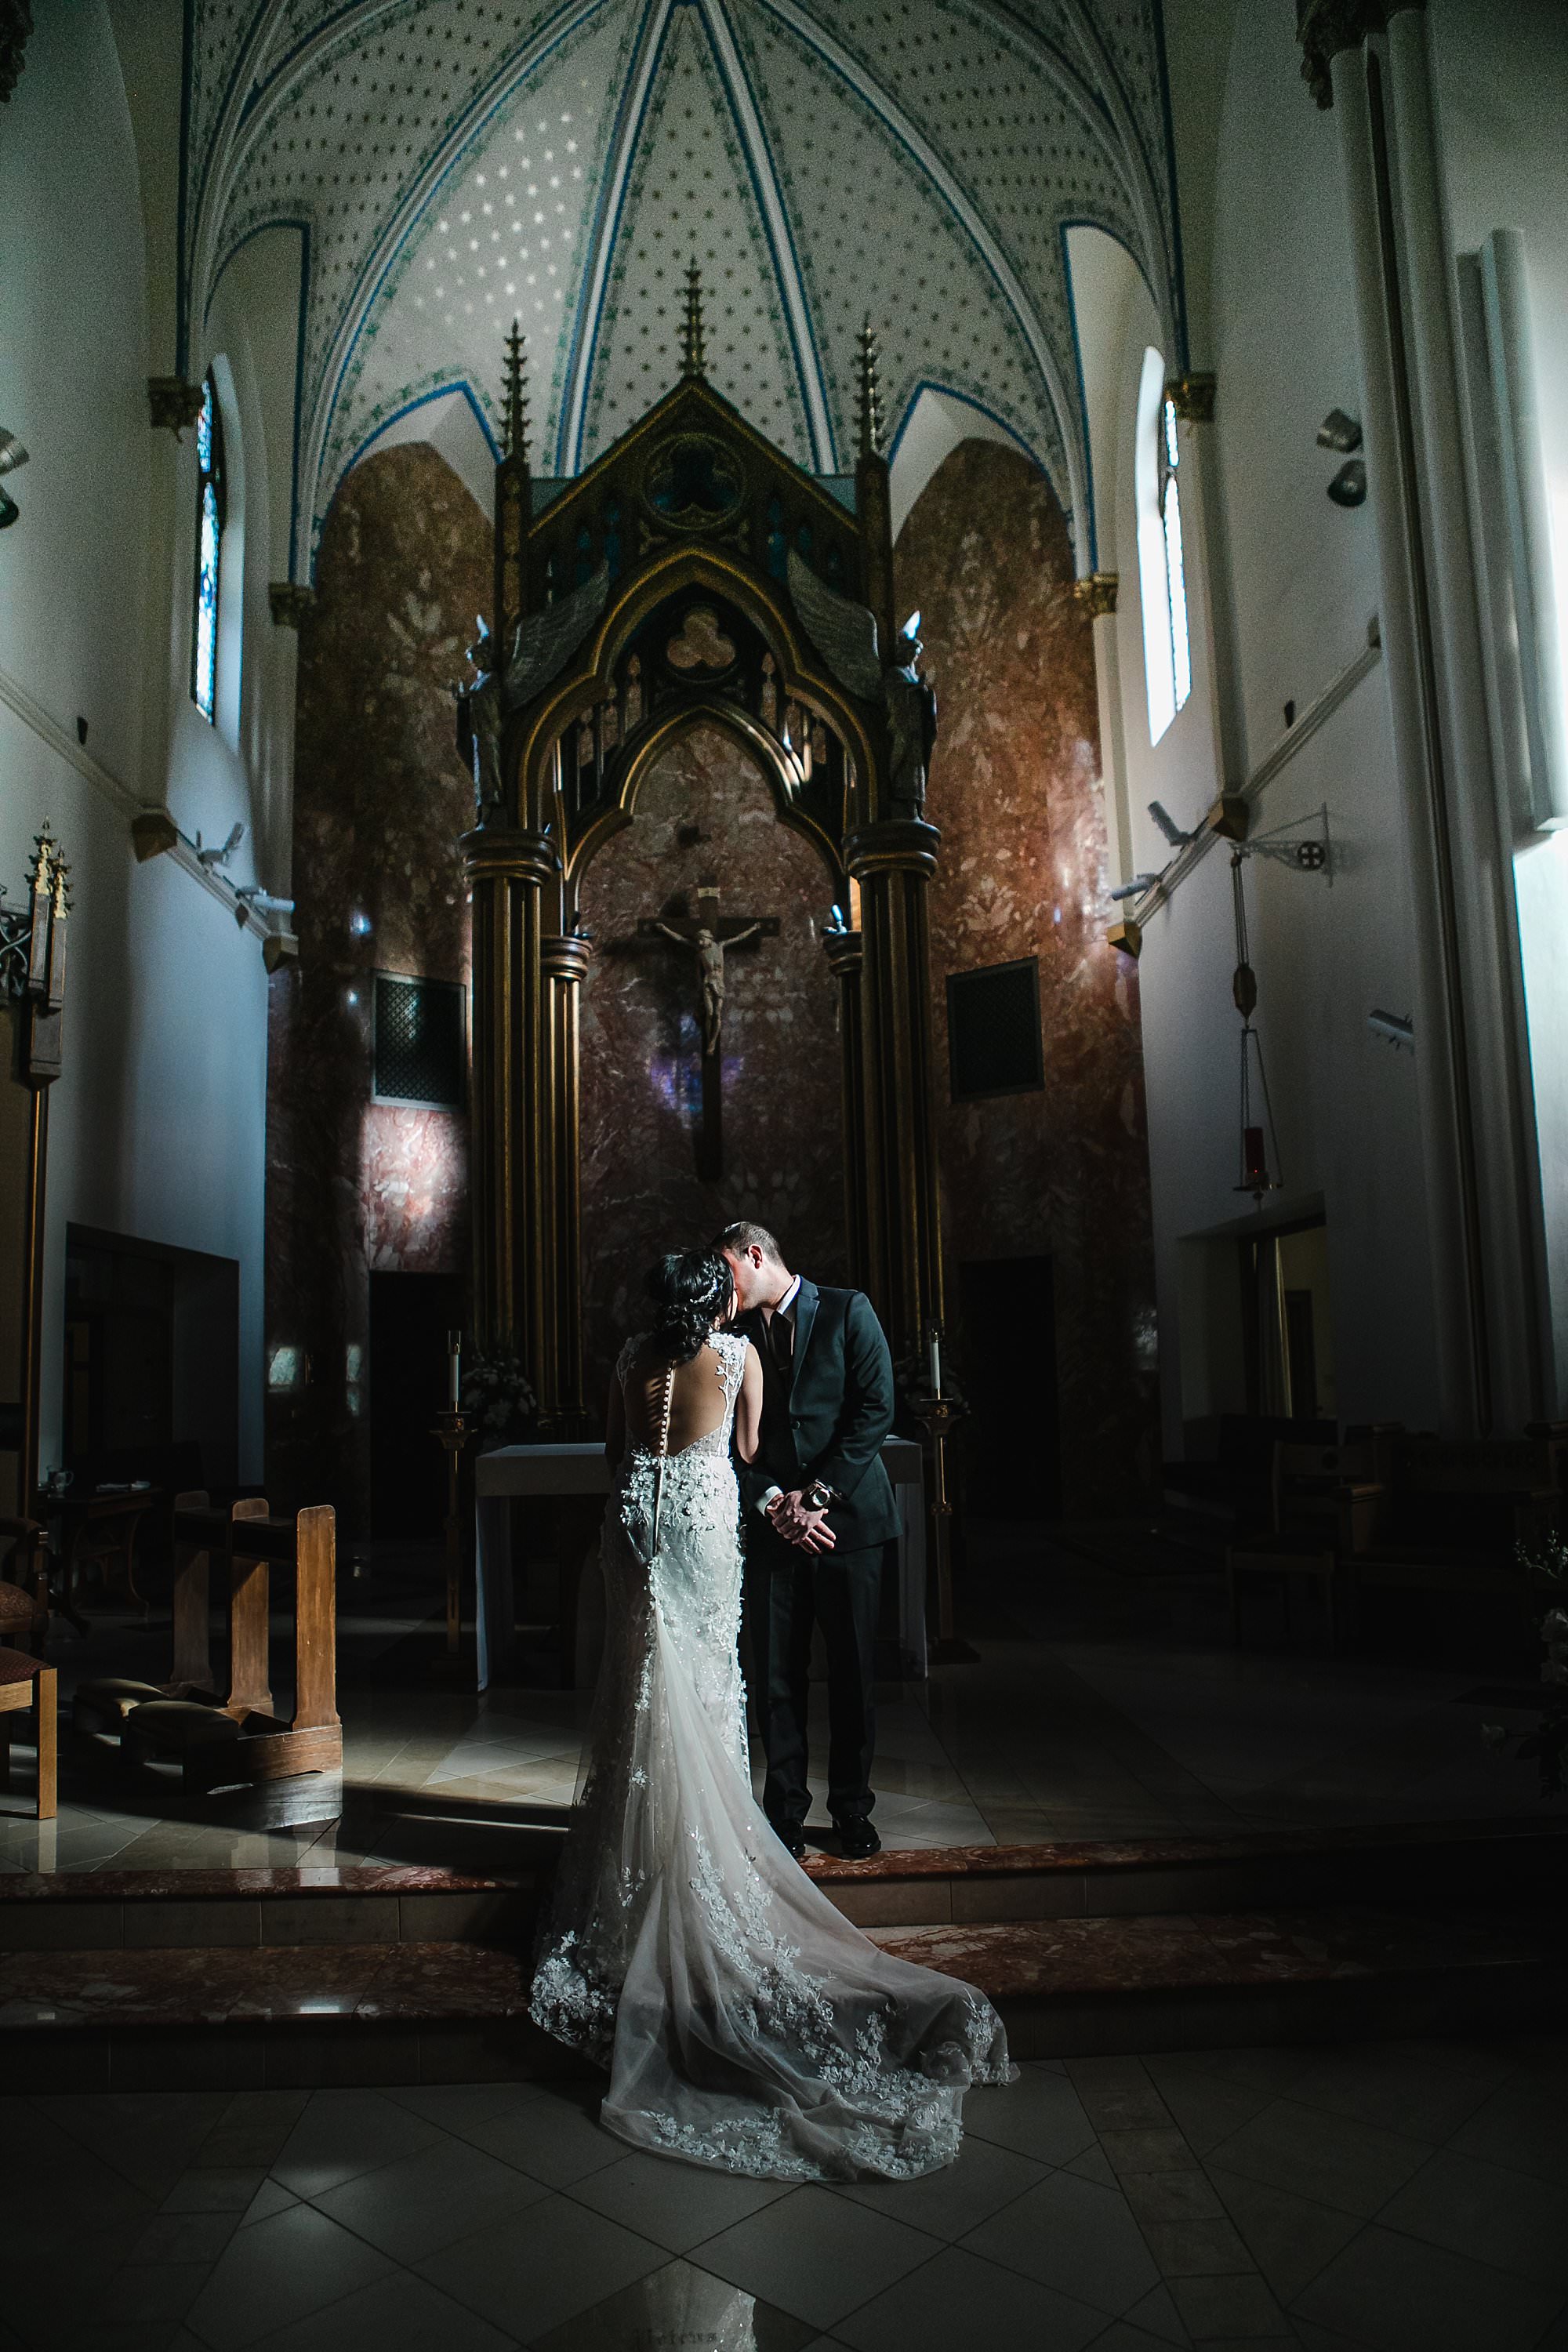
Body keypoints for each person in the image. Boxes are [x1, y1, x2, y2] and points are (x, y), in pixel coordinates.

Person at [528, 1243, 1012, 2181]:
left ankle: (651, 1853)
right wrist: (769, 1487)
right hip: (707, 1522)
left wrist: (797, 1495)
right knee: (711, 1683)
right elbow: (748, 1449)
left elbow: (617, 1452)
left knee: (642, 1688)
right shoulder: (736, 1354)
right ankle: (722, 1840)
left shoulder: (631, 1360)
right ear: (718, 1295)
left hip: (636, 1524)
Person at [717, 1220, 897, 1861]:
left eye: (727, 1269)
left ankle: (852, 1811)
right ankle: (785, 1817)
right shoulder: (731, 1336)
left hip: (848, 1528)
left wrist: (816, 1497)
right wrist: (772, 1501)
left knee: (853, 1676)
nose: (721, 1286)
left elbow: (876, 1408)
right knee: (776, 1679)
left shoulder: (850, 1310)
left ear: (755, 1254)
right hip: (774, 1532)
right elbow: (733, 1442)